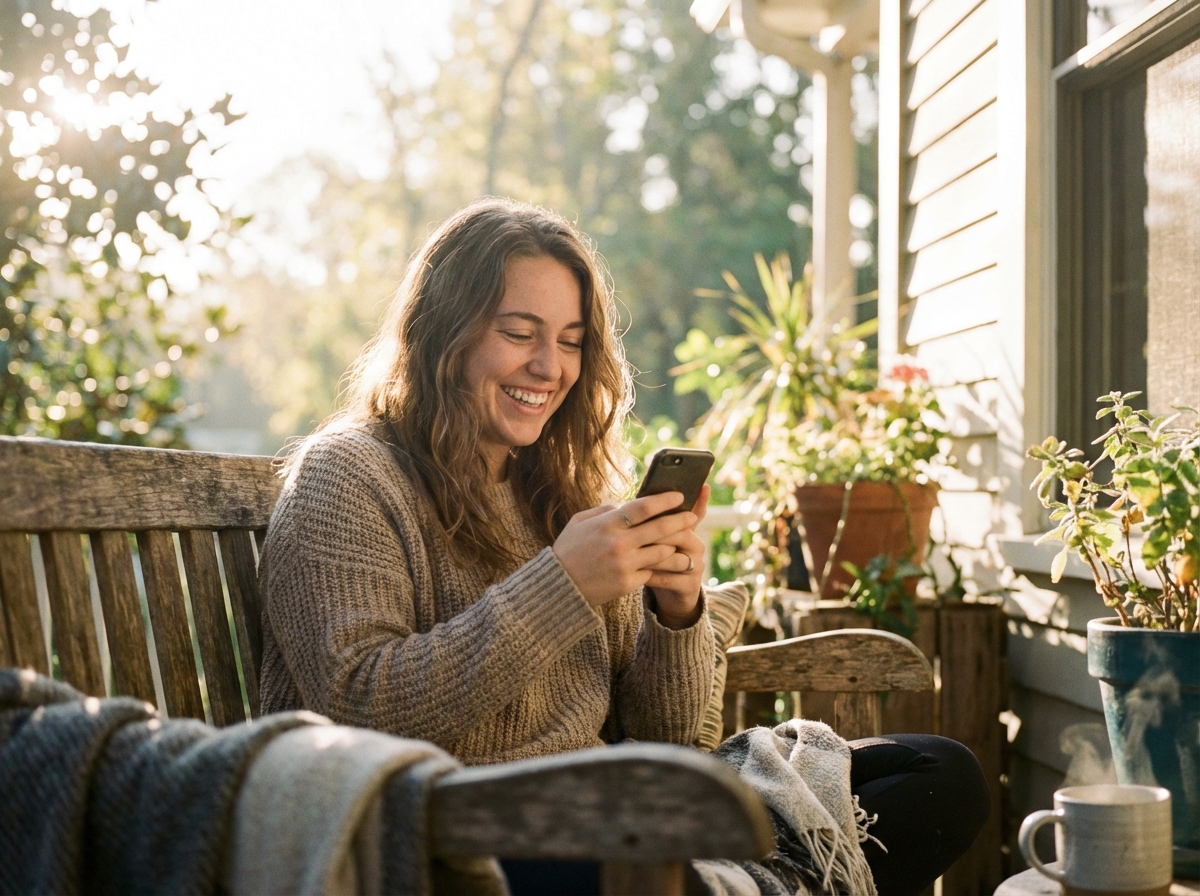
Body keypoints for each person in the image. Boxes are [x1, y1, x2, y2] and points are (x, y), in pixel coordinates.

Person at [258, 198, 989, 896]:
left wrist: (676, 613)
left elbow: (665, 740)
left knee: (938, 776)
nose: (551, 367)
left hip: (612, 811)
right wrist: (562, 586)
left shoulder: (553, 492)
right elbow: (359, 709)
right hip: (456, 838)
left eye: (571, 342)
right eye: (519, 332)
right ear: (443, 333)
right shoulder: (348, 474)